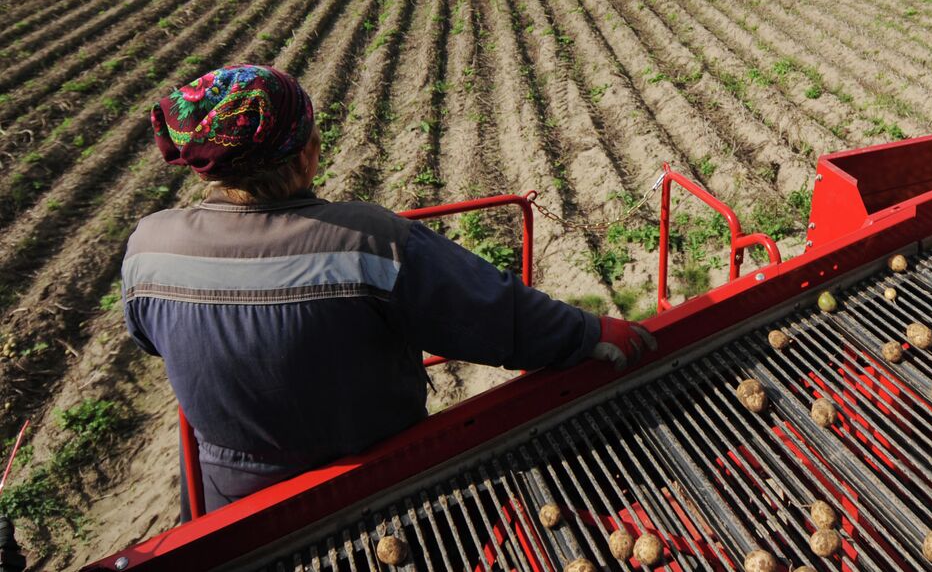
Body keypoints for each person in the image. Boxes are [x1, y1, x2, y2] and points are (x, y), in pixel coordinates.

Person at [123, 64, 655, 517]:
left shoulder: (148, 248)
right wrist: (588, 330)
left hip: (232, 506)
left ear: (203, 169)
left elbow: (150, 338)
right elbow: (495, 316)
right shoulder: (368, 241)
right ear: (307, 154)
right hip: (381, 483)